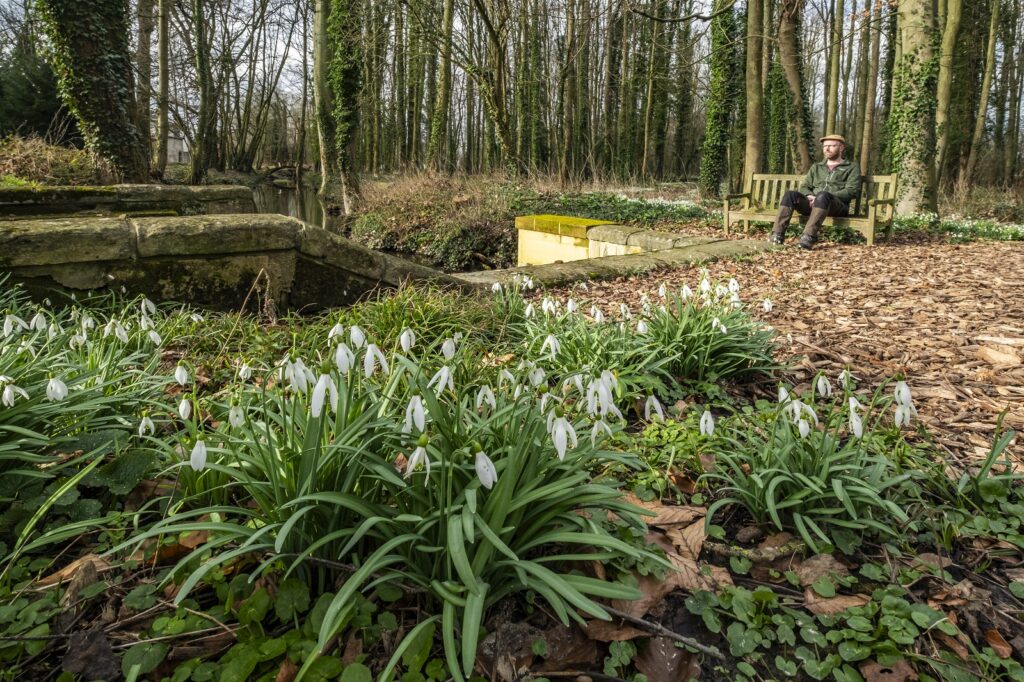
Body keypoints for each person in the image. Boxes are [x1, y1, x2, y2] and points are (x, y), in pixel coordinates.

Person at [770, 134, 862, 250]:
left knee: (823, 196)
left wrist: (822, 197)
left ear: (841, 148)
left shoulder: (851, 167)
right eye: (825, 146)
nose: (827, 149)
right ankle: (777, 234)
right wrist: (809, 196)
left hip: (837, 206)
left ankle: (808, 237)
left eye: (832, 146)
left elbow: (852, 191)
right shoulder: (817, 167)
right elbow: (805, 186)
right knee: (790, 195)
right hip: (813, 204)